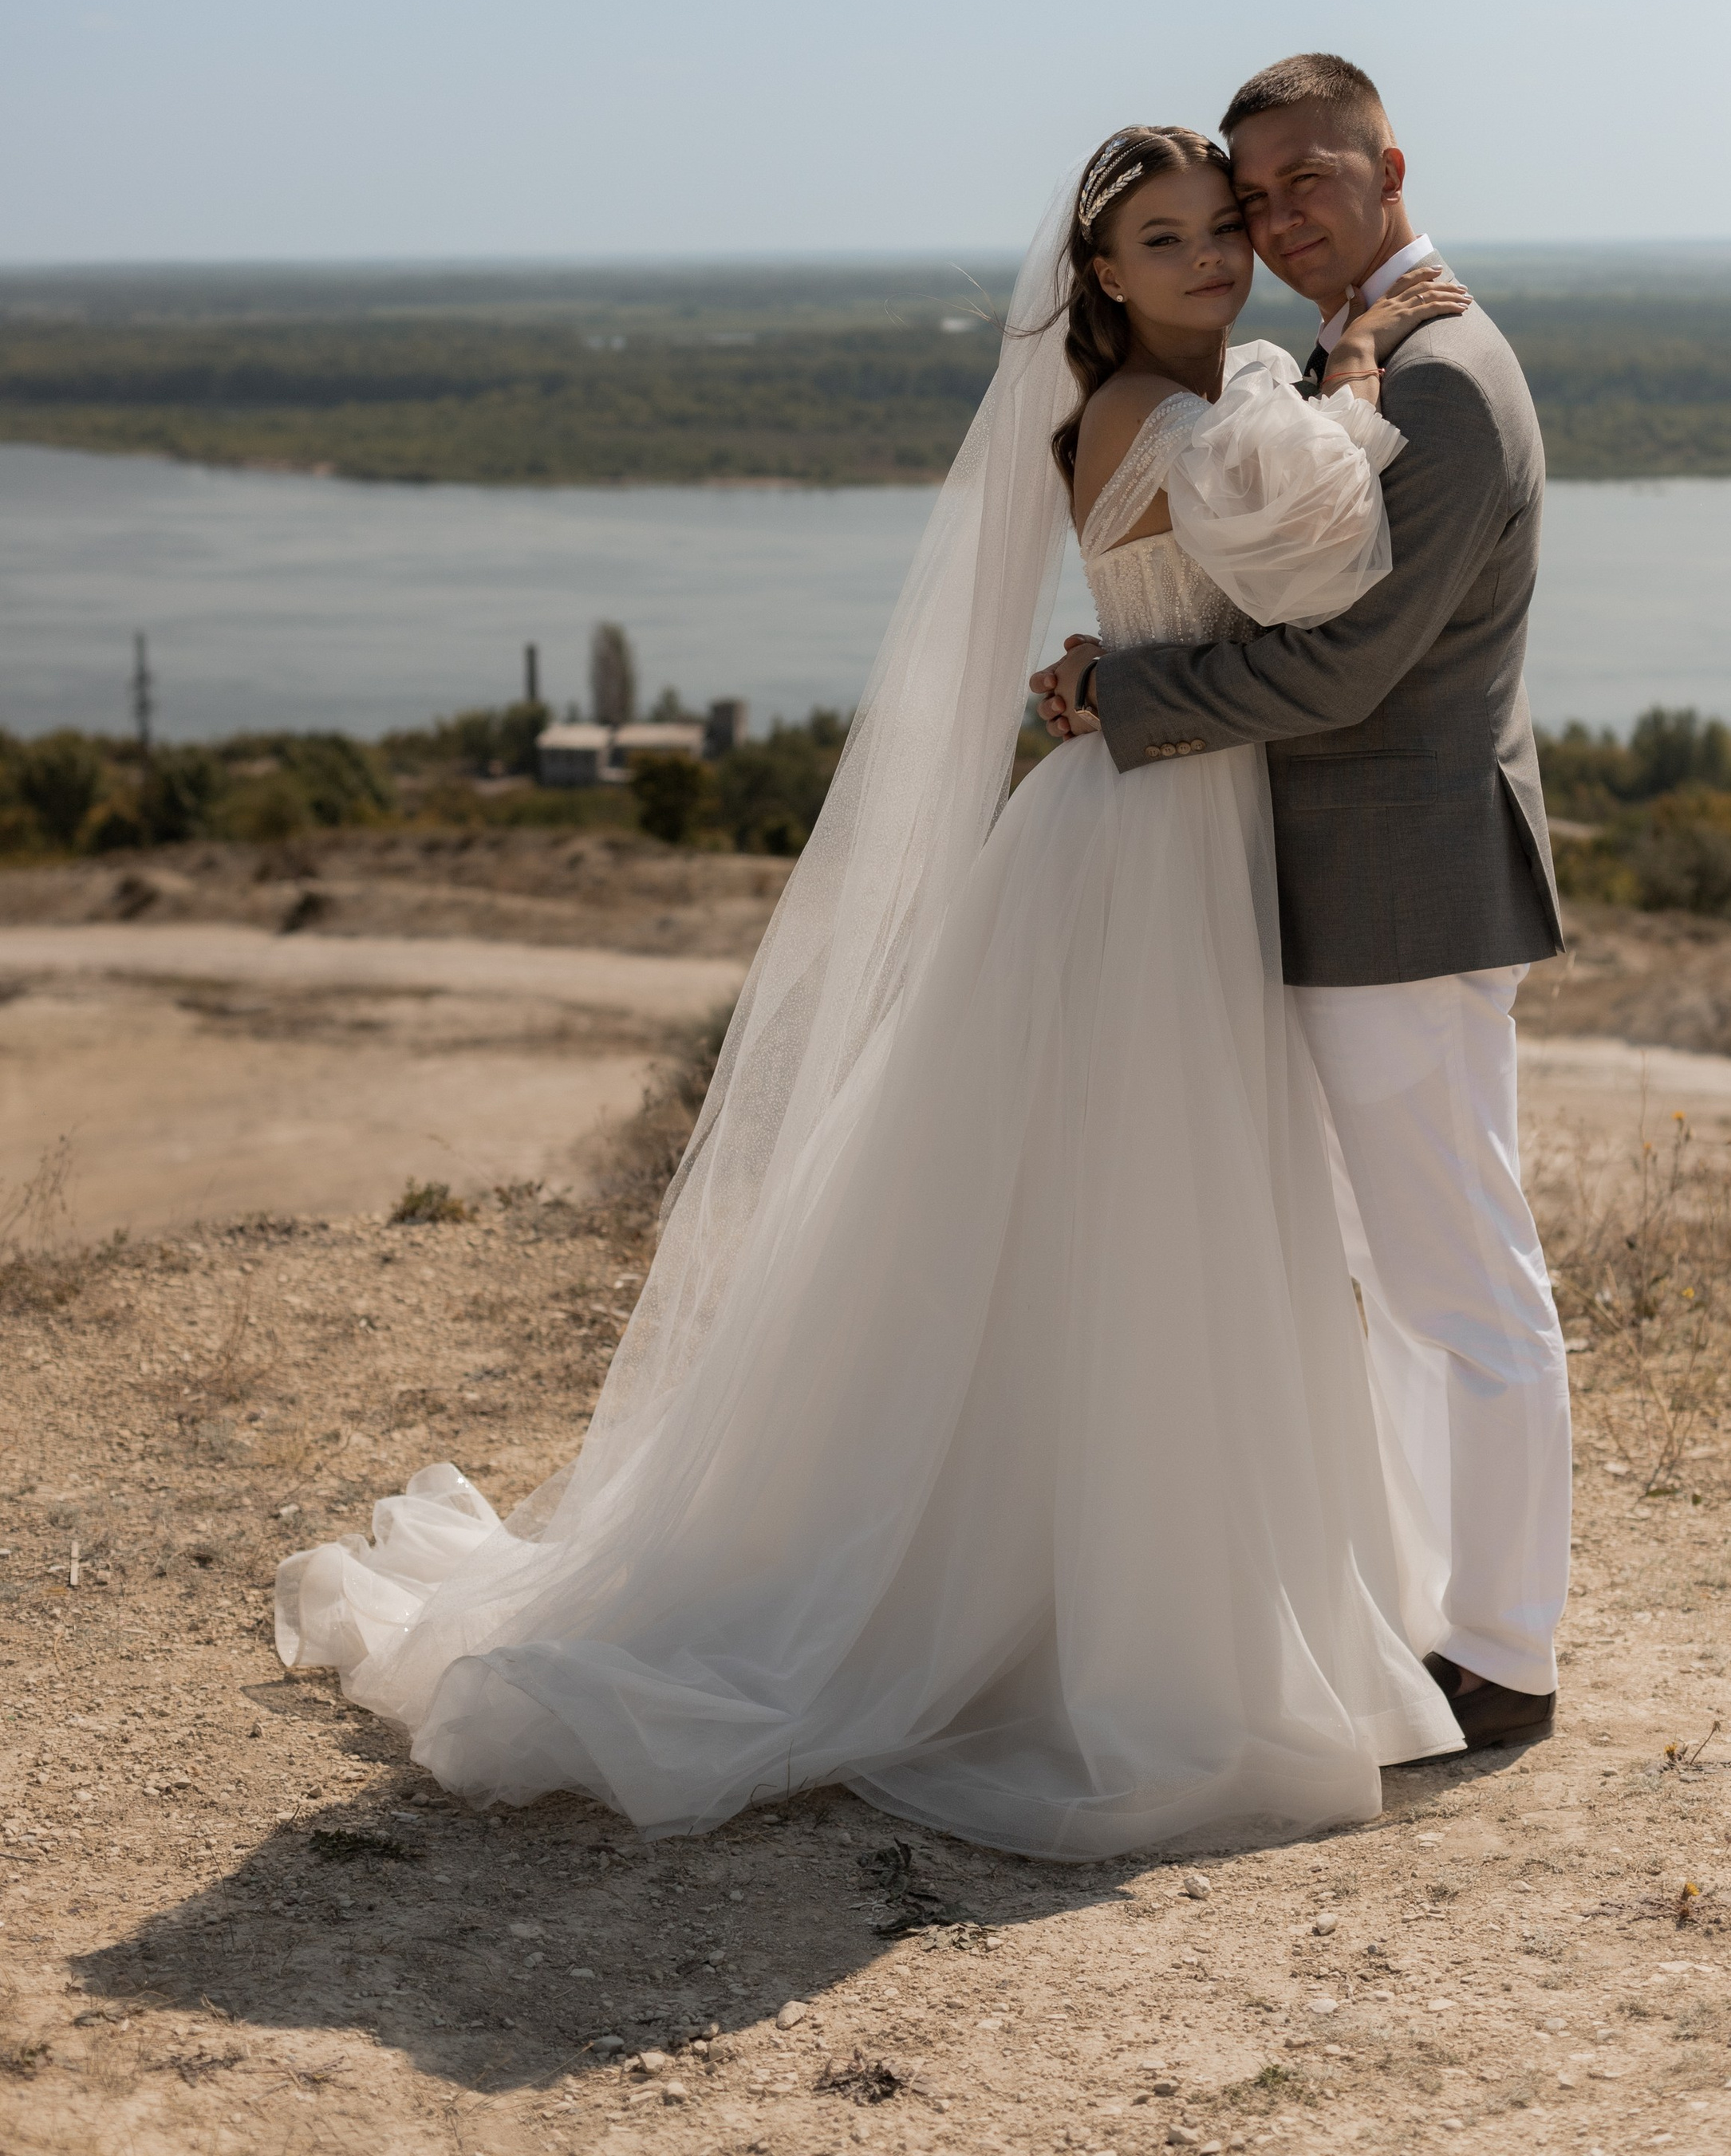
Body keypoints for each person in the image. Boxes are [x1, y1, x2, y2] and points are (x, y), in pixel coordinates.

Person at [275, 126, 1473, 1858]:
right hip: (1138, 844)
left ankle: (1133, 1570)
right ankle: (1090, 1616)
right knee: (1135, 1207)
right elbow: (1322, 556)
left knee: (1156, 1208)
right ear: (1103, 277)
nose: (1212, 257)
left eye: (1224, 225)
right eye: (1166, 237)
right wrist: (1358, 352)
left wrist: (1240, 471)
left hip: (1178, 815)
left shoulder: (1202, 400)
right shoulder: (1150, 414)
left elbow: (1249, 580)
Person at [1034, 55, 1570, 1751]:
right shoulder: (1364, 364)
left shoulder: (1446, 378)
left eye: (1302, 182)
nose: (1275, 219)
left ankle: (1500, 1651)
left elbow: (1340, 668)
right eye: (1250, 198)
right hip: (1320, 886)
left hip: (1404, 887)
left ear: (1387, 165)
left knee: (1457, 1281)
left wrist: (1123, 694)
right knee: (1380, 1277)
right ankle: (1415, 1614)